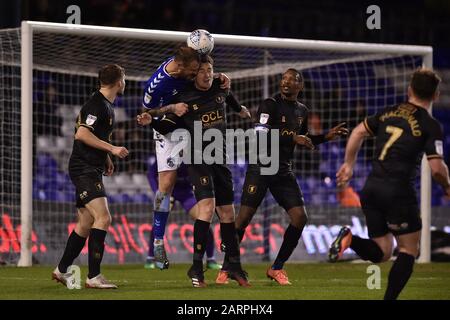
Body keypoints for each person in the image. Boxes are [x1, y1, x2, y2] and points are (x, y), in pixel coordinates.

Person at [218, 68, 348, 286]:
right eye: (283, 78)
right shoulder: (269, 104)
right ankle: (227, 267)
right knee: (243, 219)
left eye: (292, 79)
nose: (286, 82)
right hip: (261, 167)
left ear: (301, 86)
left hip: (283, 171)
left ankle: (277, 267)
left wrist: (326, 136)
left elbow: (304, 139)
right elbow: (261, 133)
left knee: (300, 217)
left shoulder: (302, 111)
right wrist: (294, 138)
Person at [329, 68, 450, 300]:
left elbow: (357, 132)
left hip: (371, 188)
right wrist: (446, 186)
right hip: (398, 192)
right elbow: (437, 169)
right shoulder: (430, 124)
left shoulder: (388, 113)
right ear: (435, 96)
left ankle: (350, 239)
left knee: (383, 252)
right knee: (408, 250)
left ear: (409, 89)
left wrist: (348, 165)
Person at [138, 55, 251, 287]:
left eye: (211, 69)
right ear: (194, 74)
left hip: (219, 158)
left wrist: (239, 110)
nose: (207, 74)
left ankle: (234, 265)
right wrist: (152, 121)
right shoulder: (184, 98)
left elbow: (229, 98)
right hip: (196, 159)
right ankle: (196, 268)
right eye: (202, 70)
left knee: (228, 213)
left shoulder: (221, 87)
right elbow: (169, 125)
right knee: (207, 210)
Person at [52, 64, 129, 289]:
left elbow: (95, 135)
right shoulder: (98, 105)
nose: (124, 83)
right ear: (119, 82)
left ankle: (61, 270)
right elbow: (82, 134)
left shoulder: (104, 104)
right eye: (123, 79)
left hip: (90, 167)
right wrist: (113, 148)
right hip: (83, 168)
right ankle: (93, 277)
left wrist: (105, 156)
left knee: (85, 222)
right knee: (104, 219)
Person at [144, 160, 221, 270]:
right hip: (168, 191)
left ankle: (211, 259)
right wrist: (157, 191)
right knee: (159, 220)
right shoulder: (167, 153)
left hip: (186, 193)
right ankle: (150, 258)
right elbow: (151, 174)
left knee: (204, 219)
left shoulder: (191, 156)